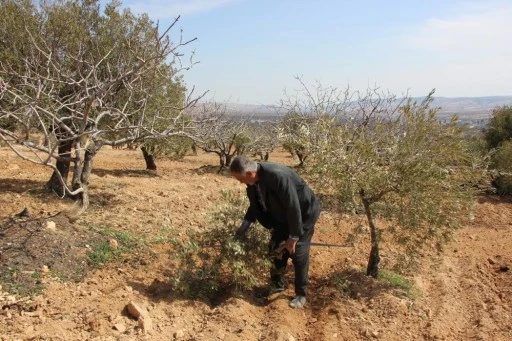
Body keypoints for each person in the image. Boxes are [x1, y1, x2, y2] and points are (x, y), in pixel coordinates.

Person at [230, 155, 321, 309]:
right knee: (275, 248)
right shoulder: (253, 182)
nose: (240, 182)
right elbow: (255, 205)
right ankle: (277, 284)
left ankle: (301, 293)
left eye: (241, 179)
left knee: (298, 253)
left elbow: (293, 206)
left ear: (250, 174)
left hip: (303, 215)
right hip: (281, 216)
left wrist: (293, 236)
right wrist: (243, 228)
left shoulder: (277, 176)